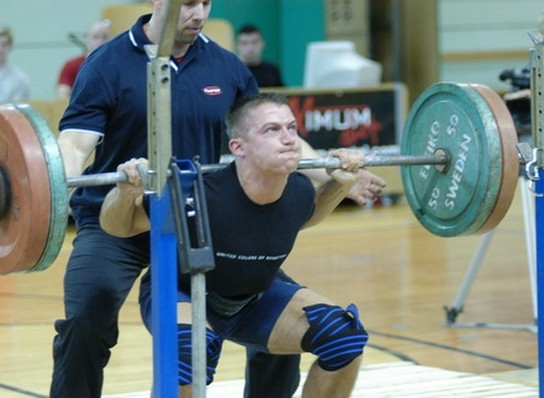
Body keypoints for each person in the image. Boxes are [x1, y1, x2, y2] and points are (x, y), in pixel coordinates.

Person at [52, 0, 385, 396]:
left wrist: (334, 170)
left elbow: (270, 131)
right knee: (88, 313)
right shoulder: (107, 63)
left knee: (268, 296)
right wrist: (60, 184)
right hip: (118, 218)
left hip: (199, 218)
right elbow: (75, 142)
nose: (199, 14)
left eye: (206, 3)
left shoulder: (225, 67)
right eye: (189, 3)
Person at [100, 92, 372, 397]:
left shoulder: (298, 191)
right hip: (182, 291)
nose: (289, 139)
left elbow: (307, 215)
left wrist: (340, 183)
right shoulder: (199, 193)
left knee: (343, 337)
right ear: (238, 147)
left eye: (292, 128)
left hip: (252, 299)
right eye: (272, 130)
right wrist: (124, 191)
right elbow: (117, 226)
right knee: (190, 354)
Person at [56, 20, 112, 100]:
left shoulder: (116, 65)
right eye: (95, 37)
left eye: (105, 37)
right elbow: (62, 96)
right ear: (87, 39)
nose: (100, 41)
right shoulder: (72, 65)